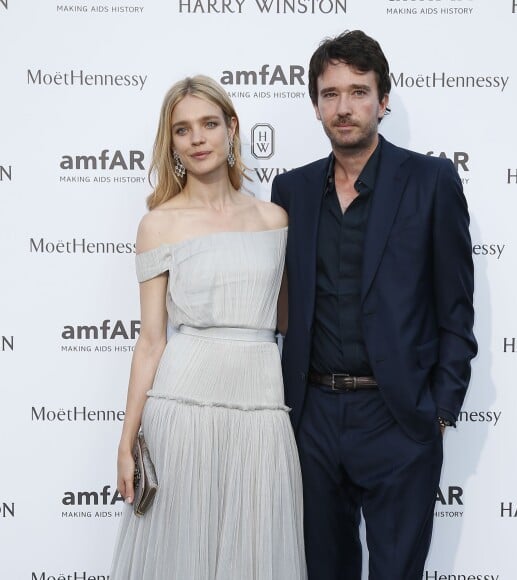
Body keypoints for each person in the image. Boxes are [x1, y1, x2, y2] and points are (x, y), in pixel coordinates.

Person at [271, 30, 477, 580]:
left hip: (398, 419)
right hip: (313, 420)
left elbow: (456, 308)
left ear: (383, 100)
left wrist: (436, 412)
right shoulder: (291, 190)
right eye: (331, 93)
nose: (344, 107)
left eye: (359, 91)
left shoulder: (431, 181)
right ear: (315, 103)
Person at [110, 75, 306, 580]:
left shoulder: (275, 219)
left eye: (209, 124)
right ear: (171, 142)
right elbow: (151, 341)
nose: (197, 138)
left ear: (232, 129)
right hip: (183, 407)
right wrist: (127, 441)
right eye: (182, 130)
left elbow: (284, 321)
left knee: (257, 552)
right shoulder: (159, 223)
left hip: (262, 404)